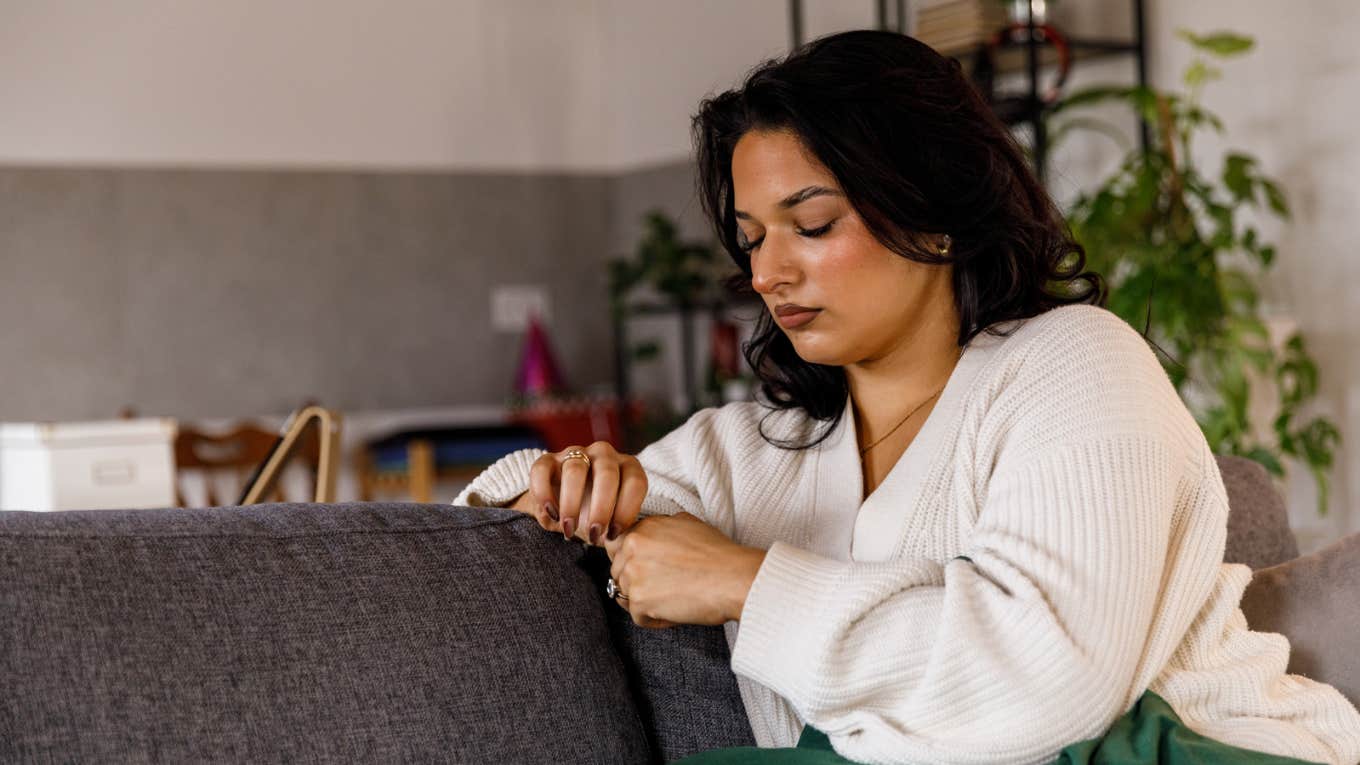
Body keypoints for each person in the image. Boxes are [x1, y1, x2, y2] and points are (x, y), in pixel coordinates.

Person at [454, 30, 1360, 765]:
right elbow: (488, 515)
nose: (768, 272)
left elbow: (1051, 685)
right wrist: (565, 480)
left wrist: (743, 582)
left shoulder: (1076, 364)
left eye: (812, 225)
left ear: (931, 210)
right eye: (751, 237)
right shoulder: (751, 450)